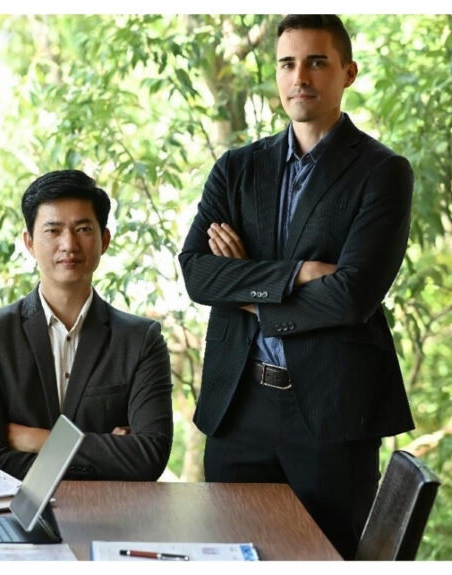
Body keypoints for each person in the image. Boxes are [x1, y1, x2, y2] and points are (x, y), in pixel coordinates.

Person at [178, 14, 415, 559]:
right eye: (287, 63)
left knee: (323, 558)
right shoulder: (237, 168)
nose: (299, 76)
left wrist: (249, 293)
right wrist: (299, 272)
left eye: (316, 62)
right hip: (239, 406)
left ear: (348, 73)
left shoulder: (383, 172)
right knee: (224, 556)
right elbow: (197, 273)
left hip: (331, 411)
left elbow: (354, 294)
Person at [0, 169, 173, 481]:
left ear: (105, 240)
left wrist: (38, 440)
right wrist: (108, 451)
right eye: (53, 231)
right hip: (13, 519)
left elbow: (149, 457)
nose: (69, 244)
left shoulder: (140, 340)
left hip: (113, 514)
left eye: (83, 229)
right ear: (29, 242)